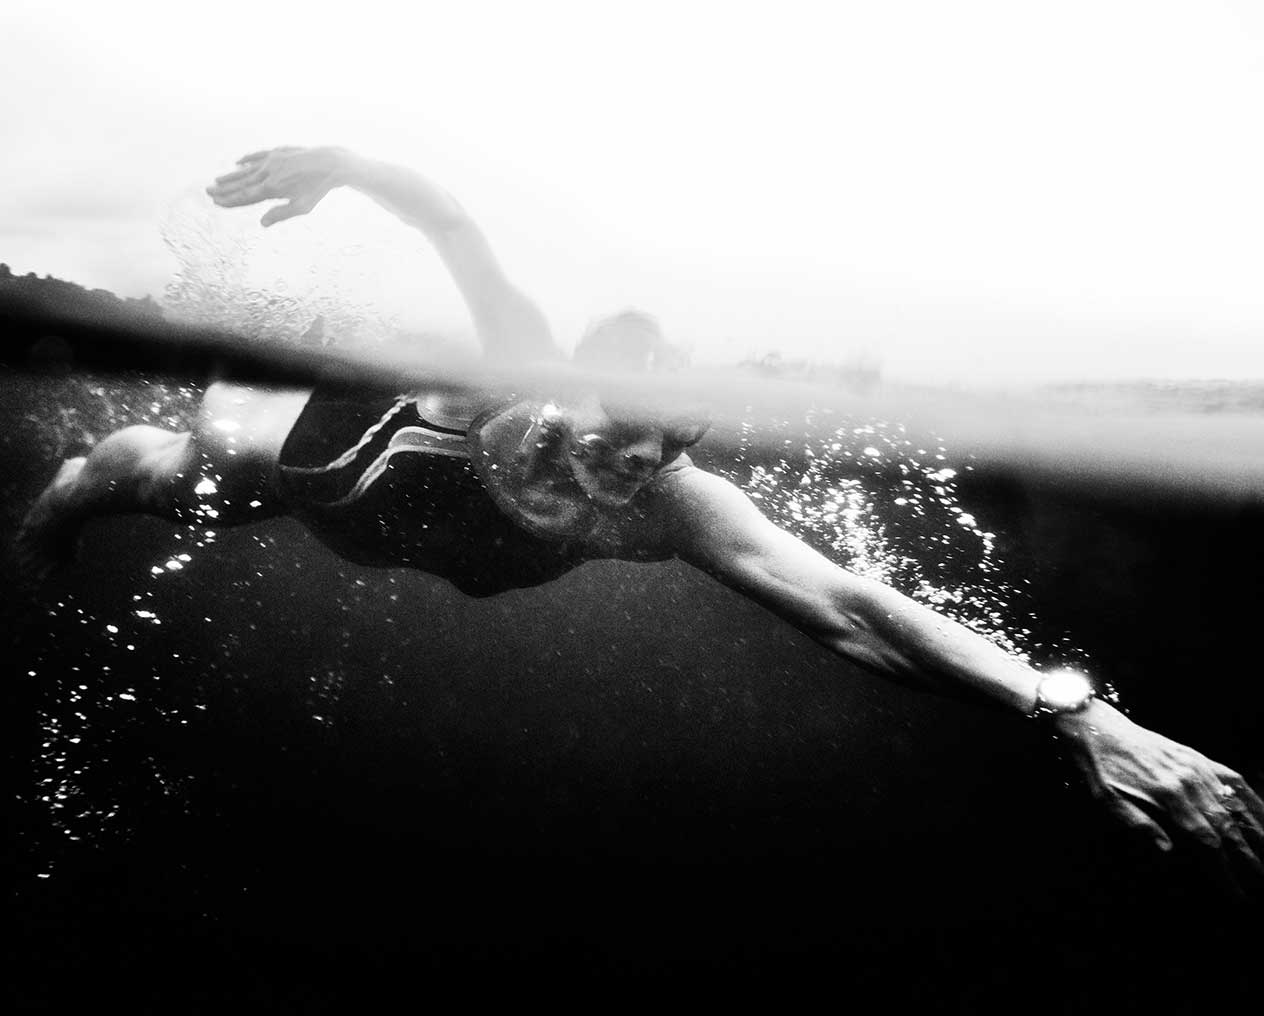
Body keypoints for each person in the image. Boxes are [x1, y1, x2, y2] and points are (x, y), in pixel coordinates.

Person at [18, 146, 1264, 890]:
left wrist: (1073, 711)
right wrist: (346, 166)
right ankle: (69, 493)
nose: (644, 455)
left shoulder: (667, 505)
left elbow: (849, 605)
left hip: (429, 542)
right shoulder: (508, 355)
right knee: (179, 472)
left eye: (674, 438)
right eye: (628, 423)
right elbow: (452, 222)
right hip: (321, 464)